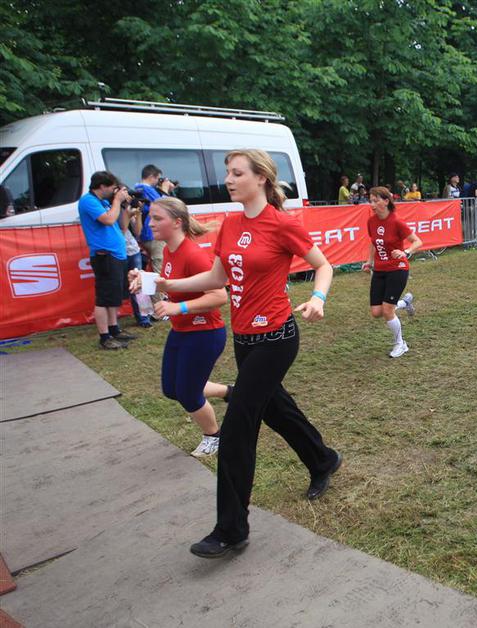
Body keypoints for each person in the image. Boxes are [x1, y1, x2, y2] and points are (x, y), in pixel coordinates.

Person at [160, 149, 341, 558]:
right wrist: (167, 285)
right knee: (277, 408)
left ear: (261, 178)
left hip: (277, 338)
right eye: (228, 172)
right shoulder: (230, 223)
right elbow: (216, 278)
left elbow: (323, 265)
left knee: (239, 426)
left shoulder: (282, 224)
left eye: (237, 172)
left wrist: (317, 298)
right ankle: (323, 459)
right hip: (244, 338)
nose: (228, 179)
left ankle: (230, 529)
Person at [129, 197, 230, 457]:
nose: (150, 224)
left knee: (187, 393)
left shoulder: (193, 254)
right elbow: (171, 283)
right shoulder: (168, 250)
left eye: (157, 218)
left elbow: (220, 296)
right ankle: (230, 392)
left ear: (177, 222)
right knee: (171, 388)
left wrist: (179, 308)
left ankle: (214, 436)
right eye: (150, 218)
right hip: (182, 331)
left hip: (205, 333)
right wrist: (143, 279)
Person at [78, 171, 136, 350]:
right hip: (104, 256)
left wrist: (126, 207)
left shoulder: (104, 203)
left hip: (116, 255)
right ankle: (104, 337)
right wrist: (117, 201)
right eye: (112, 187)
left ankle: (114, 329)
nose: (114, 191)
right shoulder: (88, 201)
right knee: (104, 298)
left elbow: (122, 227)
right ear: (102, 186)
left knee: (114, 297)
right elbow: (109, 220)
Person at [362, 186, 422, 357]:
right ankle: (405, 303)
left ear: (386, 201)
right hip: (379, 270)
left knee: (387, 310)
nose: (372, 205)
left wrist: (406, 252)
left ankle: (400, 344)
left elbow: (418, 241)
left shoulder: (397, 222)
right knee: (376, 312)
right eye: (370, 201)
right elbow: (374, 242)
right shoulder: (371, 221)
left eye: (376, 201)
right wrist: (369, 262)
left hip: (398, 268)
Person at [135, 165, 166, 307]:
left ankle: (154, 304)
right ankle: (159, 305)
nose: (157, 182)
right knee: (158, 270)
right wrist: (165, 189)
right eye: (158, 179)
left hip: (143, 236)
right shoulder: (147, 189)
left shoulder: (137, 189)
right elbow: (165, 205)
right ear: (152, 176)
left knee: (151, 270)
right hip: (153, 235)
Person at [119, 199, 150, 328]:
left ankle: (144, 317)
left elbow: (138, 231)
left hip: (133, 250)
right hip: (119, 251)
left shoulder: (128, 208)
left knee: (138, 284)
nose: (128, 195)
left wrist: (138, 213)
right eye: (124, 191)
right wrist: (127, 214)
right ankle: (113, 324)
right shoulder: (112, 210)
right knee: (121, 285)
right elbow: (122, 229)